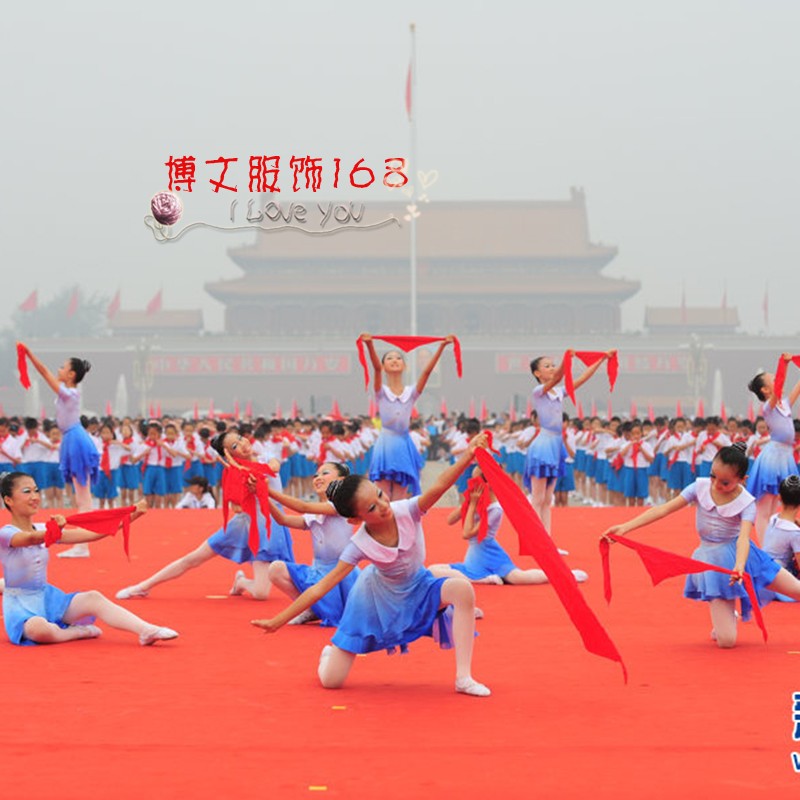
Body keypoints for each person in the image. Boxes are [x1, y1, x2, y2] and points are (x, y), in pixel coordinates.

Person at [252, 433, 493, 697]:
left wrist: (468, 454)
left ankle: (463, 677)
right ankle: (330, 653)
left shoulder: (407, 509)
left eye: (380, 495)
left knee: (462, 589)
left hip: (417, 585)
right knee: (331, 681)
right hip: (374, 599)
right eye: (372, 507)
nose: (383, 506)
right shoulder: (359, 544)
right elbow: (320, 588)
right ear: (355, 519)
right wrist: (278, 621)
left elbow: (439, 485)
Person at [601, 444, 800, 648]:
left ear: (742, 480)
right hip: (713, 562)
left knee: (797, 589)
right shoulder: (699, 487)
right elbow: (663, 509)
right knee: (726, 642)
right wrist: (625, 528)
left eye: (725, 482)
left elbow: (743, 538)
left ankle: (727, 611)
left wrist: (739, 566)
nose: (716, 485)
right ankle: (726, 615)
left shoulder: (747, 503)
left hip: (747, 558)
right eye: (713, 476)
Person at [0, 471, 177, 646]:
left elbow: (91, 534)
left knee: (93, 597)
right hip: (20, 606)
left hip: (48, 598)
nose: (34, 496)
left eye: (36, 490)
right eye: (26, 492)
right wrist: (55, 530)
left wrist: (132, 515)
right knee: (39, 630)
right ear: (9, 500)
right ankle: (77, 632)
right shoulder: (6, 534)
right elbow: (31, 539)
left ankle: (146, 630)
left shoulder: (42, 527)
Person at [116, 429, 294, 602]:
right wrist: (241, 478)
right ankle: (143, 586)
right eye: (234, 446)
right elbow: (236, 506)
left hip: (271, 524)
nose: (242, 444)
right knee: (194, 558)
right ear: (228, 455)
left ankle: (241, 582)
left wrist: (251, 472)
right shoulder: (233, 474)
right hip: (246, 524)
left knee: (261, 593)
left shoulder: (265, 456)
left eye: (240, 438)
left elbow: (273, 467)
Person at [429, 466, 589, 585]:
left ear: (488, 483)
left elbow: (468, 533)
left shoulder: (495, 509)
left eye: (476, 480)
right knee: (433, 569)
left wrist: (471, 506)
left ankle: (567, 575)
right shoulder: (476, 500)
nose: (472, 483)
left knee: (519, 578)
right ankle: (484, 579)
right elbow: (450, 520)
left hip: (488, 550)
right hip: (475, 553)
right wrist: (469, 503)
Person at [18, 343, 100, 558]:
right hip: (71, 439)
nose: (59, 370)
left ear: (71, 374)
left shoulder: (70, 394)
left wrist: (29, 354)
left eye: (63, 368)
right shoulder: (69, 393)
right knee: (81, 496)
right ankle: (83, 544)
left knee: (83, 497)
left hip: (75, 440)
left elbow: (44, 372)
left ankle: (83, 545)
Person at [523, 350, 614, 539]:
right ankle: (534, 539)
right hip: (543, 445)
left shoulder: (558, 391)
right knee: (538, 498)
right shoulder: (539, 392)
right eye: (546, 366)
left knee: (548, 499)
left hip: (556, 445)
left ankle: (547, 540)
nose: (552, 368)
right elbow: (558, 377)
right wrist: (566, 360)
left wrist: (601, 360)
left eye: (553, 364)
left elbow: (581, 380)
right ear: (537, 374)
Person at [264, 462, 359, 626]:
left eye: (325, 473)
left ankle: (315, 607)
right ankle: (311, 608)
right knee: (275, 569)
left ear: (341, 480)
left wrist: (268, 491)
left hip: (341, 572)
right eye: (316, 475)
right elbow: (283, 519)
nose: (318, 478)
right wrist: (262, 497)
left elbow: (302, 506)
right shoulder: (313, 513)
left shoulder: (340, 506)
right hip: (318, 572)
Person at [360, 333, 453, 500]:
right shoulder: (381, 391)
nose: (394, 360)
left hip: (403, 444)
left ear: (406, 366)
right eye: (389, 358)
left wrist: (441, 347)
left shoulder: (411, 393)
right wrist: (369, 345)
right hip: (385, 443)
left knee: (401, 495)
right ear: (383, 366)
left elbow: (426, 372)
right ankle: (382, 525)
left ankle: (399, 526)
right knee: (383, 494)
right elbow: (375, 368)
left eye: (398, 358)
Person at [746, 358, 800, 540]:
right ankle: (765, 549)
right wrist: (783, 365)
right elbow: (780, 387)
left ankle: (773, 544)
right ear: (765, 390)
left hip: (786, 457)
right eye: (773, 378)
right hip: (773, 458)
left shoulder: (783, 404)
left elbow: (796, 389)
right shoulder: (768, 407)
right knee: (765, 507)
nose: (777, 379)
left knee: (777, 504)